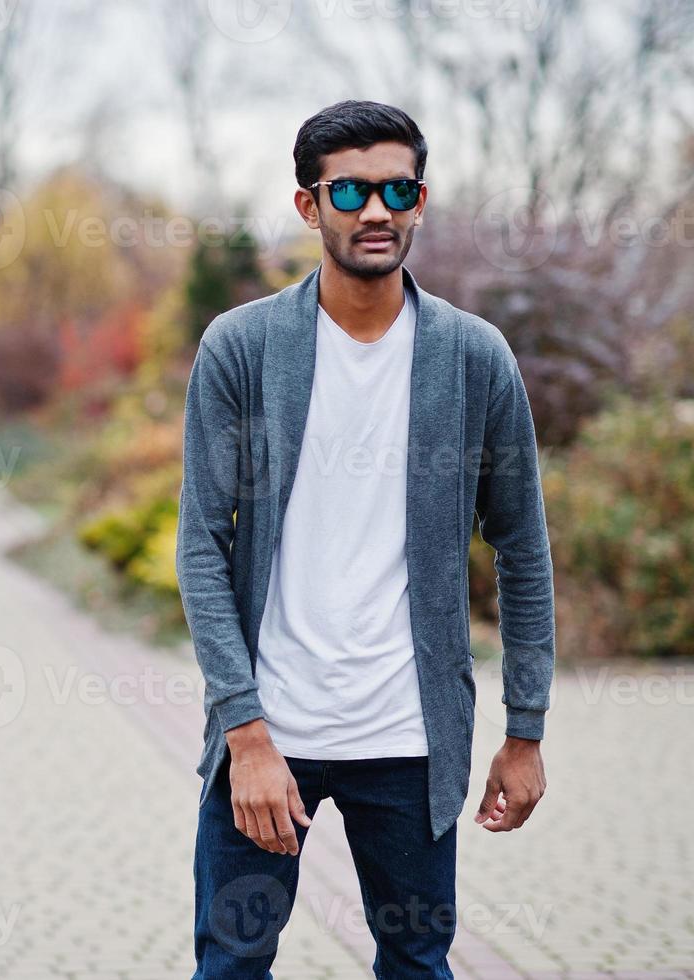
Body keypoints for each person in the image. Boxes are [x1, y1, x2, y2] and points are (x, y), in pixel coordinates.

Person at [176, 100, 556, 979]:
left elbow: (523, 549)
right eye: (348, 190)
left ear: (420, 201)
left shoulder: (473, 357)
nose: (375, 211)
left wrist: (524, 729)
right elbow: (200, 543)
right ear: (309, 207)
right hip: (270, 735)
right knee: (230, 966)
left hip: (407, 737)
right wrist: (244, 735)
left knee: (417, 965)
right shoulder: (242, 347)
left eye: (397, 189)